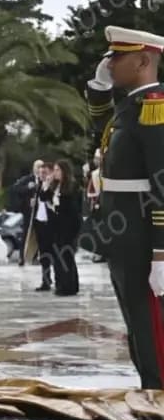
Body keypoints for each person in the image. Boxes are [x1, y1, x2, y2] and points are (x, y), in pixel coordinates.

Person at [83, 26, 164, 388]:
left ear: (144, 60)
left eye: (118, 57)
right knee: (136, 322)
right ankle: (150, 388)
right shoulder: (130, 106)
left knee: (151, 325)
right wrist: (98, 87)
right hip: (123, 235)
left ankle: (159, 392)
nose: (110, 64)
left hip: (144, 237)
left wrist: (162, 254)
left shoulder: (155, 108)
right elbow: (101, 124)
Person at [22, 161, 56, 291]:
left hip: (50, 225)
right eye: (40, 172)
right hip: (39, 223)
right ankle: (45, 280)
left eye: (44, 172)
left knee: (52, 253)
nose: (42, 175)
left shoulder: (52, 186)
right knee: (43, 254)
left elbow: (48, 199)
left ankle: (54, 279)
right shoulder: (39, 186)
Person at [50, 160, 81, 297]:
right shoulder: (56, 186)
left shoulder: (72, 187)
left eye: (57, 170)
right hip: (57, 226)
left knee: (67, 257)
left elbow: (73, 209)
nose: (55, 173)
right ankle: (61, 284)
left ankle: (69, 286)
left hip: (68, 227)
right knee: (58, 257)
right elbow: (46, 198)